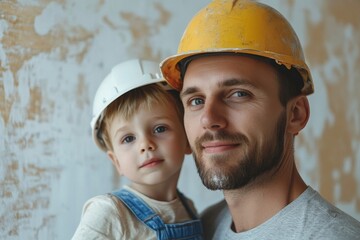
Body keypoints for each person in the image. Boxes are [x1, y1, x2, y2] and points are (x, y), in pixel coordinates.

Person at [160, 0, 360, 239]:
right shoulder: (203, 227)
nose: (209, 119)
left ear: (295, 114)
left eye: (238, 94)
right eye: (196, 100)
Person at [72, 59, 203, 239]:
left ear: (187, 140)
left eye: (159, 129)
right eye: (128, 138)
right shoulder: (109, 213)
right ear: (116, 161)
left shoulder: (188, 209)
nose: (145, 144)